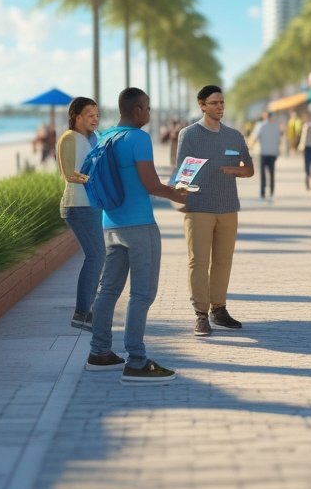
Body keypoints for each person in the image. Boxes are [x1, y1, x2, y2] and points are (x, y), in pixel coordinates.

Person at [85, 88, 188, 383]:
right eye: (148, 108)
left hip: (110, 224)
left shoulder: (105, 137)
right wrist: (179, 194)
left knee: (108, 291)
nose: (150, 114)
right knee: (142, 293)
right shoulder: (138, 139)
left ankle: (100, 352)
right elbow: (151, 184)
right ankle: (137, 361)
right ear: (139, 110)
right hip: (139, 225)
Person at [175, 85, 254, 337]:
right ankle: (200, 314)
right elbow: (181, 173)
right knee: (198, 262)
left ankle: (218, 309)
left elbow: (249, 168)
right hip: (198, 207)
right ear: (202, 105)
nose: (220, 107)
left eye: (222, 103)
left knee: (223, 261)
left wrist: (235, 170)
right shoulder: (188, 135)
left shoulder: (234, 136)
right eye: (214, 103)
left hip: (228, 207)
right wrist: (181, 194)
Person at [57, 97, 103, 331]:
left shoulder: (94, 138)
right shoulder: (69, 138)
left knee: (98, 256)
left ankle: (87, 311)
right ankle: (81, 313)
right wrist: (96, 180)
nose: (95, 119)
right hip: (77, 206)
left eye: (97, 115)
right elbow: (68, 174)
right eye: (90, 115)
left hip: (92, 204)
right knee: (96, 256)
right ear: (77, 117)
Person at [252, 110, 281, 199]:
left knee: (263, 174)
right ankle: (272, 190)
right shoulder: (276, 126)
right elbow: (278, 140)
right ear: (271, 116)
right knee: (272, 172)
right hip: (273, 152)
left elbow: (255, 137)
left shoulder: (260, 125)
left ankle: (262, 192)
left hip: (263, 152)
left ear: (265, 116)